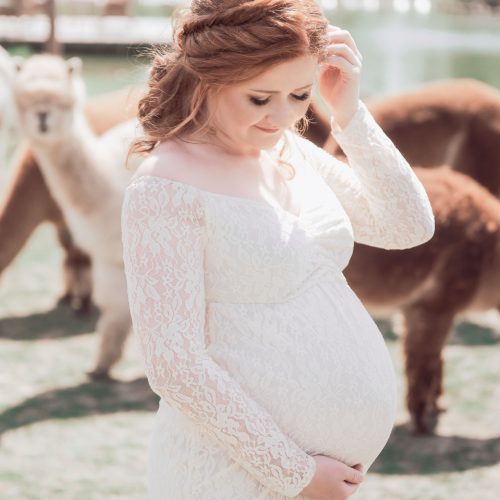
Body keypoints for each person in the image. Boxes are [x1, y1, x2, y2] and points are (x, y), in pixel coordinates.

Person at [121, 1, 435, 499]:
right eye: (259, 98)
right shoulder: (164, 188)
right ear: (211, 78)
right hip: (230, 475)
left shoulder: (287, 149)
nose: (282, 117)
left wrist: (349, 113)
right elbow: (174, 364)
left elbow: (407, 226)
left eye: (299, 94)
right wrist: (295, 473)